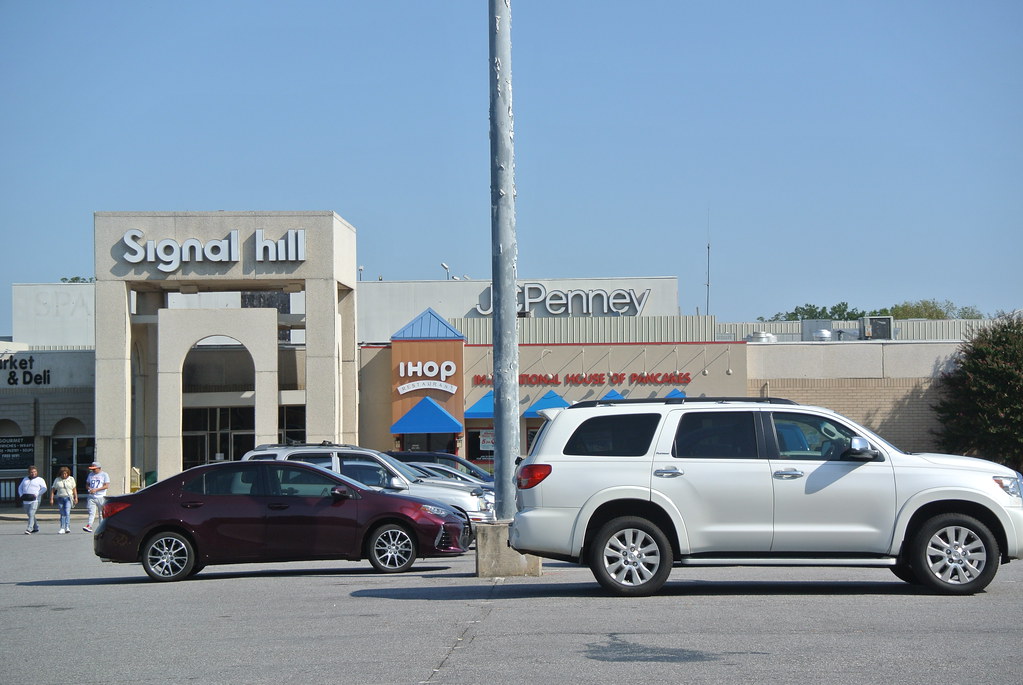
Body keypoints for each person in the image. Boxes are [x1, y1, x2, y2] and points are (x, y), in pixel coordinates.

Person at [17, 465, 47, 535]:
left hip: (35, 500)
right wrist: (21, 495)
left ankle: (29, 529)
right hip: (26, 499)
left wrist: (37, 494)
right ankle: (36, 527)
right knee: (30, 514)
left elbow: (44, 488)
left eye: (34, 472)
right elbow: (20, 488)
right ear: (29, 473)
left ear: (37, 472)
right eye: (31, 472)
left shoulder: (40, 479)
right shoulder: (25, 479)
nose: (33, 473)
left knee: (31, 513)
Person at [49, 466, 78, 534]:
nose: (64, 475)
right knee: (62, 513)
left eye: (66, 474)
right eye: (63, 474)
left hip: (68, 497)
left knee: (67, 512)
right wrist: (51, 499)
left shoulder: (71, 479)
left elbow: (74, 489)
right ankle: (62, 527)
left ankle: (67, 527)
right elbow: (53, 490)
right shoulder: (57, 480)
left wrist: (76, 497)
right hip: (60, 497)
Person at [83, 461, 110, 533]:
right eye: (92, 469)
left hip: (101, 496)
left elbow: (106, 486)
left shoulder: (104, 475)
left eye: (94, 469)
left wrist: (97, 490)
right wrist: (89, 489)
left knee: (101, 513)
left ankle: (101, 527)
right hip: (91, 496)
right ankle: (89, 525)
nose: (93, 470)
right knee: (91, 512)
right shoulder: (90, 475)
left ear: (99, 468)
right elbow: (87, 484)